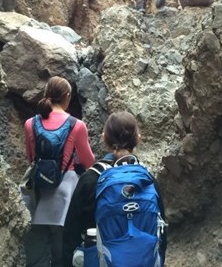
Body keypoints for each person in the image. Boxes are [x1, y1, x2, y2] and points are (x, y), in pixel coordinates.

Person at [62, 111, 168, 267]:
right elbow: (162, 232)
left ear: (104, 137)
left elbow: (70, 234)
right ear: (138, 138)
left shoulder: (90, 179)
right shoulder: (147, 180)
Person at [24, 76, 96, 267]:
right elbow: (89, 162)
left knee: (37, 247)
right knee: (61, 247)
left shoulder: (30, 123)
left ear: (46, 95)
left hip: (39, 189)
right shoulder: (76, 125)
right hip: (65, 191)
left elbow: (31, 158)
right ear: (67, 96)